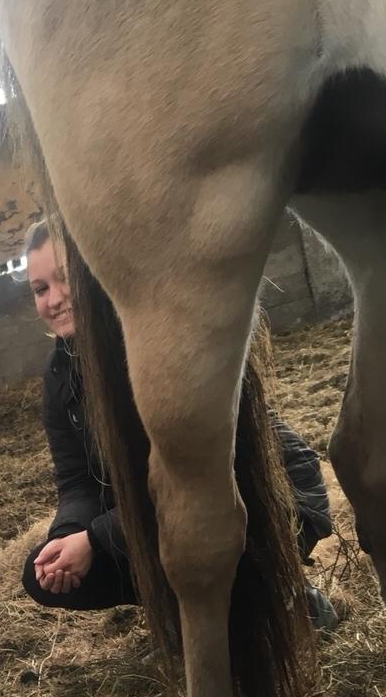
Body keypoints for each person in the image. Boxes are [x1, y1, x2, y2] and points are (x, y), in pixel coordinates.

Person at [18, 220, 338, 630]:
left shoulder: (158, 342)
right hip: (159, 514)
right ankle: (183, 605)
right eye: (40, 289)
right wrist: (68, 535)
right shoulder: (62, 373)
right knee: (39, 575)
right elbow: (76, 478)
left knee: (211, 536)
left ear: (98, 272)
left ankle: (281, 587)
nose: (55, 299)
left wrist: (97, 540)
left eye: (66, 279)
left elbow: (198, 474)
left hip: (259, 494)